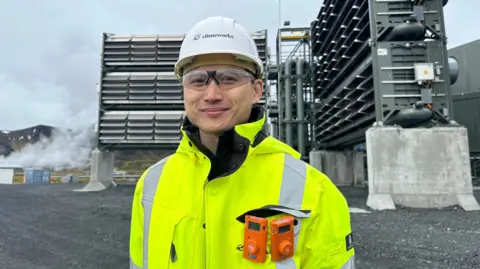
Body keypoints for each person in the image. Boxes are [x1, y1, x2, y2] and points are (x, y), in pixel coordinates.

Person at [129, 16, 355, 269]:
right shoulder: (151, 185)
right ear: (184, 91)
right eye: (197, 80)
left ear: (257, 90)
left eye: (229, 79)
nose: (212, 95)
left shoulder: (314, 192)